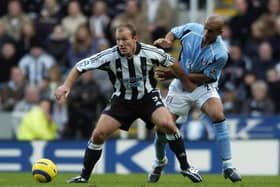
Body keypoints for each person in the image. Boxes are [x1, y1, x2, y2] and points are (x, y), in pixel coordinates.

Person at [55, 23, 202, 183]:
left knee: (168, 124)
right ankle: (84, 176)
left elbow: (173, 62)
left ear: (135, 39)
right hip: (122, 101)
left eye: (125, 39)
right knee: (98, 134)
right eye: (118, 40)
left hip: (147, 99)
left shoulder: (150, 52)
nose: (121, 43)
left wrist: (185, 82)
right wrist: (66, 85)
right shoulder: (110, 55)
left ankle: (186, 166)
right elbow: (79, 66)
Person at [148, 15, 242, 183]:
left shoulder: (220, 54)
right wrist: (168, 40)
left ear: (220, 32)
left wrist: (175, 73)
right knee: (162, 127)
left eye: (211, 31)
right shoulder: (193, 29)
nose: (206, 33)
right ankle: (159, 162)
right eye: (205, 28)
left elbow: (208, 78)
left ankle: (228, 165)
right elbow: (174, 32)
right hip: (179, 86)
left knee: (218, 115)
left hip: (202, 86)